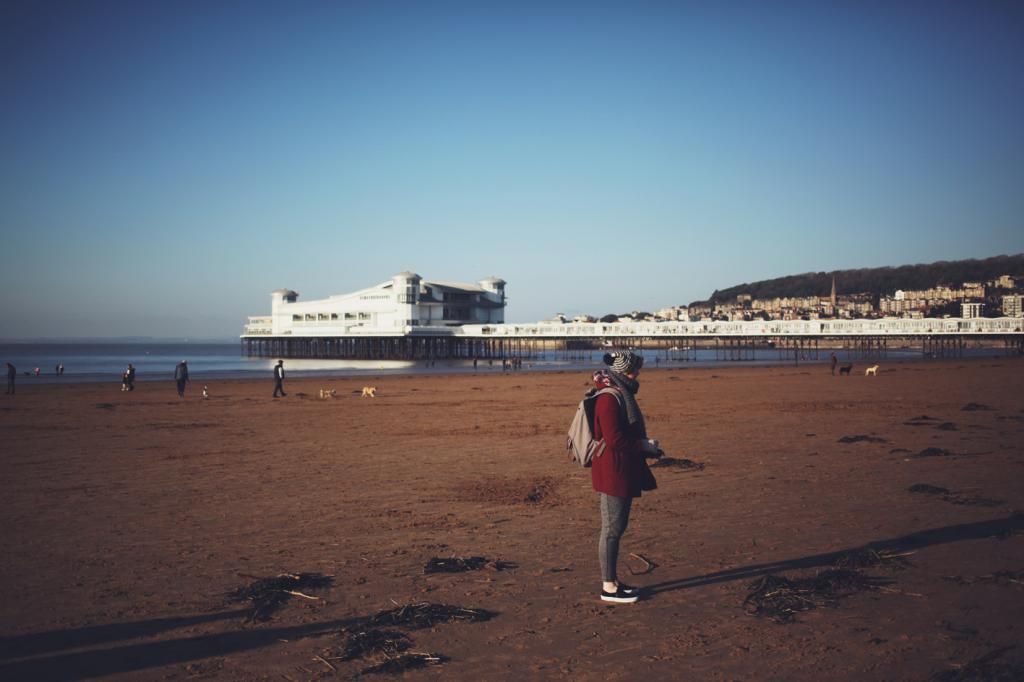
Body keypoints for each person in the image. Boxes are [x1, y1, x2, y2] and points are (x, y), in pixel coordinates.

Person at [590, 350, 661, 604]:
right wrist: (643, 446)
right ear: (624, 372)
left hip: (619, 468)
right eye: (635, 369)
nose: (638, 373)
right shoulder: (610, 397)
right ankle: (608, 587)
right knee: (611, 529)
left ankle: (613, 582)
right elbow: (614, 440)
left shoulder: (621, 392)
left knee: (615, 528)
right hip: (612, 470)